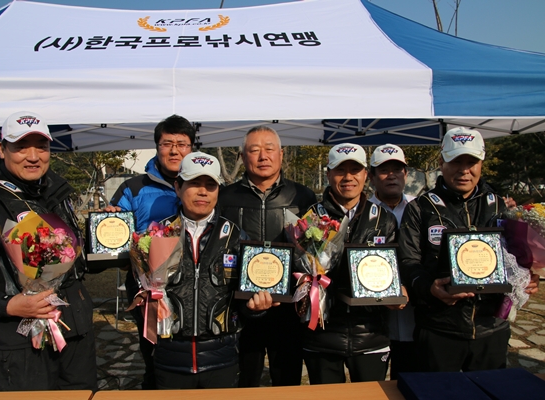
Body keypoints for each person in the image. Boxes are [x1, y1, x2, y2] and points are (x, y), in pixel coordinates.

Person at [0, 111, 96, 391]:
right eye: (21, 147)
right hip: (18, 343)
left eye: (42, 146)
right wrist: (7, 305)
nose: (33, 156)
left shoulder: (58, 191)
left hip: (74, 333)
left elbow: (74, 261)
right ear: (2, 150)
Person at [399, 127, 539, 372]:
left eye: (471, 162)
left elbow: (518, 259)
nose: (464, 170)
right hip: (439, 329)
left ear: (481, 163)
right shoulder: (420, 208)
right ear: (441, 162)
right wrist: (429, 288)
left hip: (491, 329)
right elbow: (408, 263)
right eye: (456, 161)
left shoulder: (500, 207)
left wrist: (527, 276)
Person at [154, 151, 275, 389]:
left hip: (222, 361)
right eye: (194, 183)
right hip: (169, 360)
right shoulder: (157, 235)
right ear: (178, 187)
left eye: (210, 185)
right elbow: (139, 291)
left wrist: (255, 308)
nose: (203, 192)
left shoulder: (236, 236)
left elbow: (244, 301)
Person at [219, 126, 317, 387]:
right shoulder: (225, 198)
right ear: (242, 157)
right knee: (244, 383)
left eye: (269, 149)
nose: (263, 156)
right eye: (254, 150)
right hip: (241, 309)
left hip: (288, 311)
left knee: (287, 382)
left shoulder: (303, 196)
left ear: (281, 154)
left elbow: (315, 250)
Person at [106, 114, 195, 389]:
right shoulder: (133, 188)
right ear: (157, 147)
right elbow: (115, 242)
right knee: (154, 353)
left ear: (192, 148)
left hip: (194, 286)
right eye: (167, 144)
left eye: (182, 144)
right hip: (148, 290)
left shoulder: (205, 185)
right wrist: (109, 225)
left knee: (190, 350)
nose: (174, 151)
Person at [303, 143, 399, 384]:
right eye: (340, 170)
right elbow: (300, 270)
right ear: (328, 174)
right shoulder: (310, 218)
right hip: (322, 336)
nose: (348, 177)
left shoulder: (384, 219)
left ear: (366, 174)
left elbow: (397, 269)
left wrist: (400, 289)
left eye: (355, 170)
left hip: (371, 335)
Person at [368, 144, 417, 379]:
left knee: (409, 380)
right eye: (384, 170)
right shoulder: (362, 213)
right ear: (371, 176)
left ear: (405, 174)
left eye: (397, 169)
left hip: (414, 316)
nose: (391, 175)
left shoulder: (421, 208)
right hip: (373, 322)